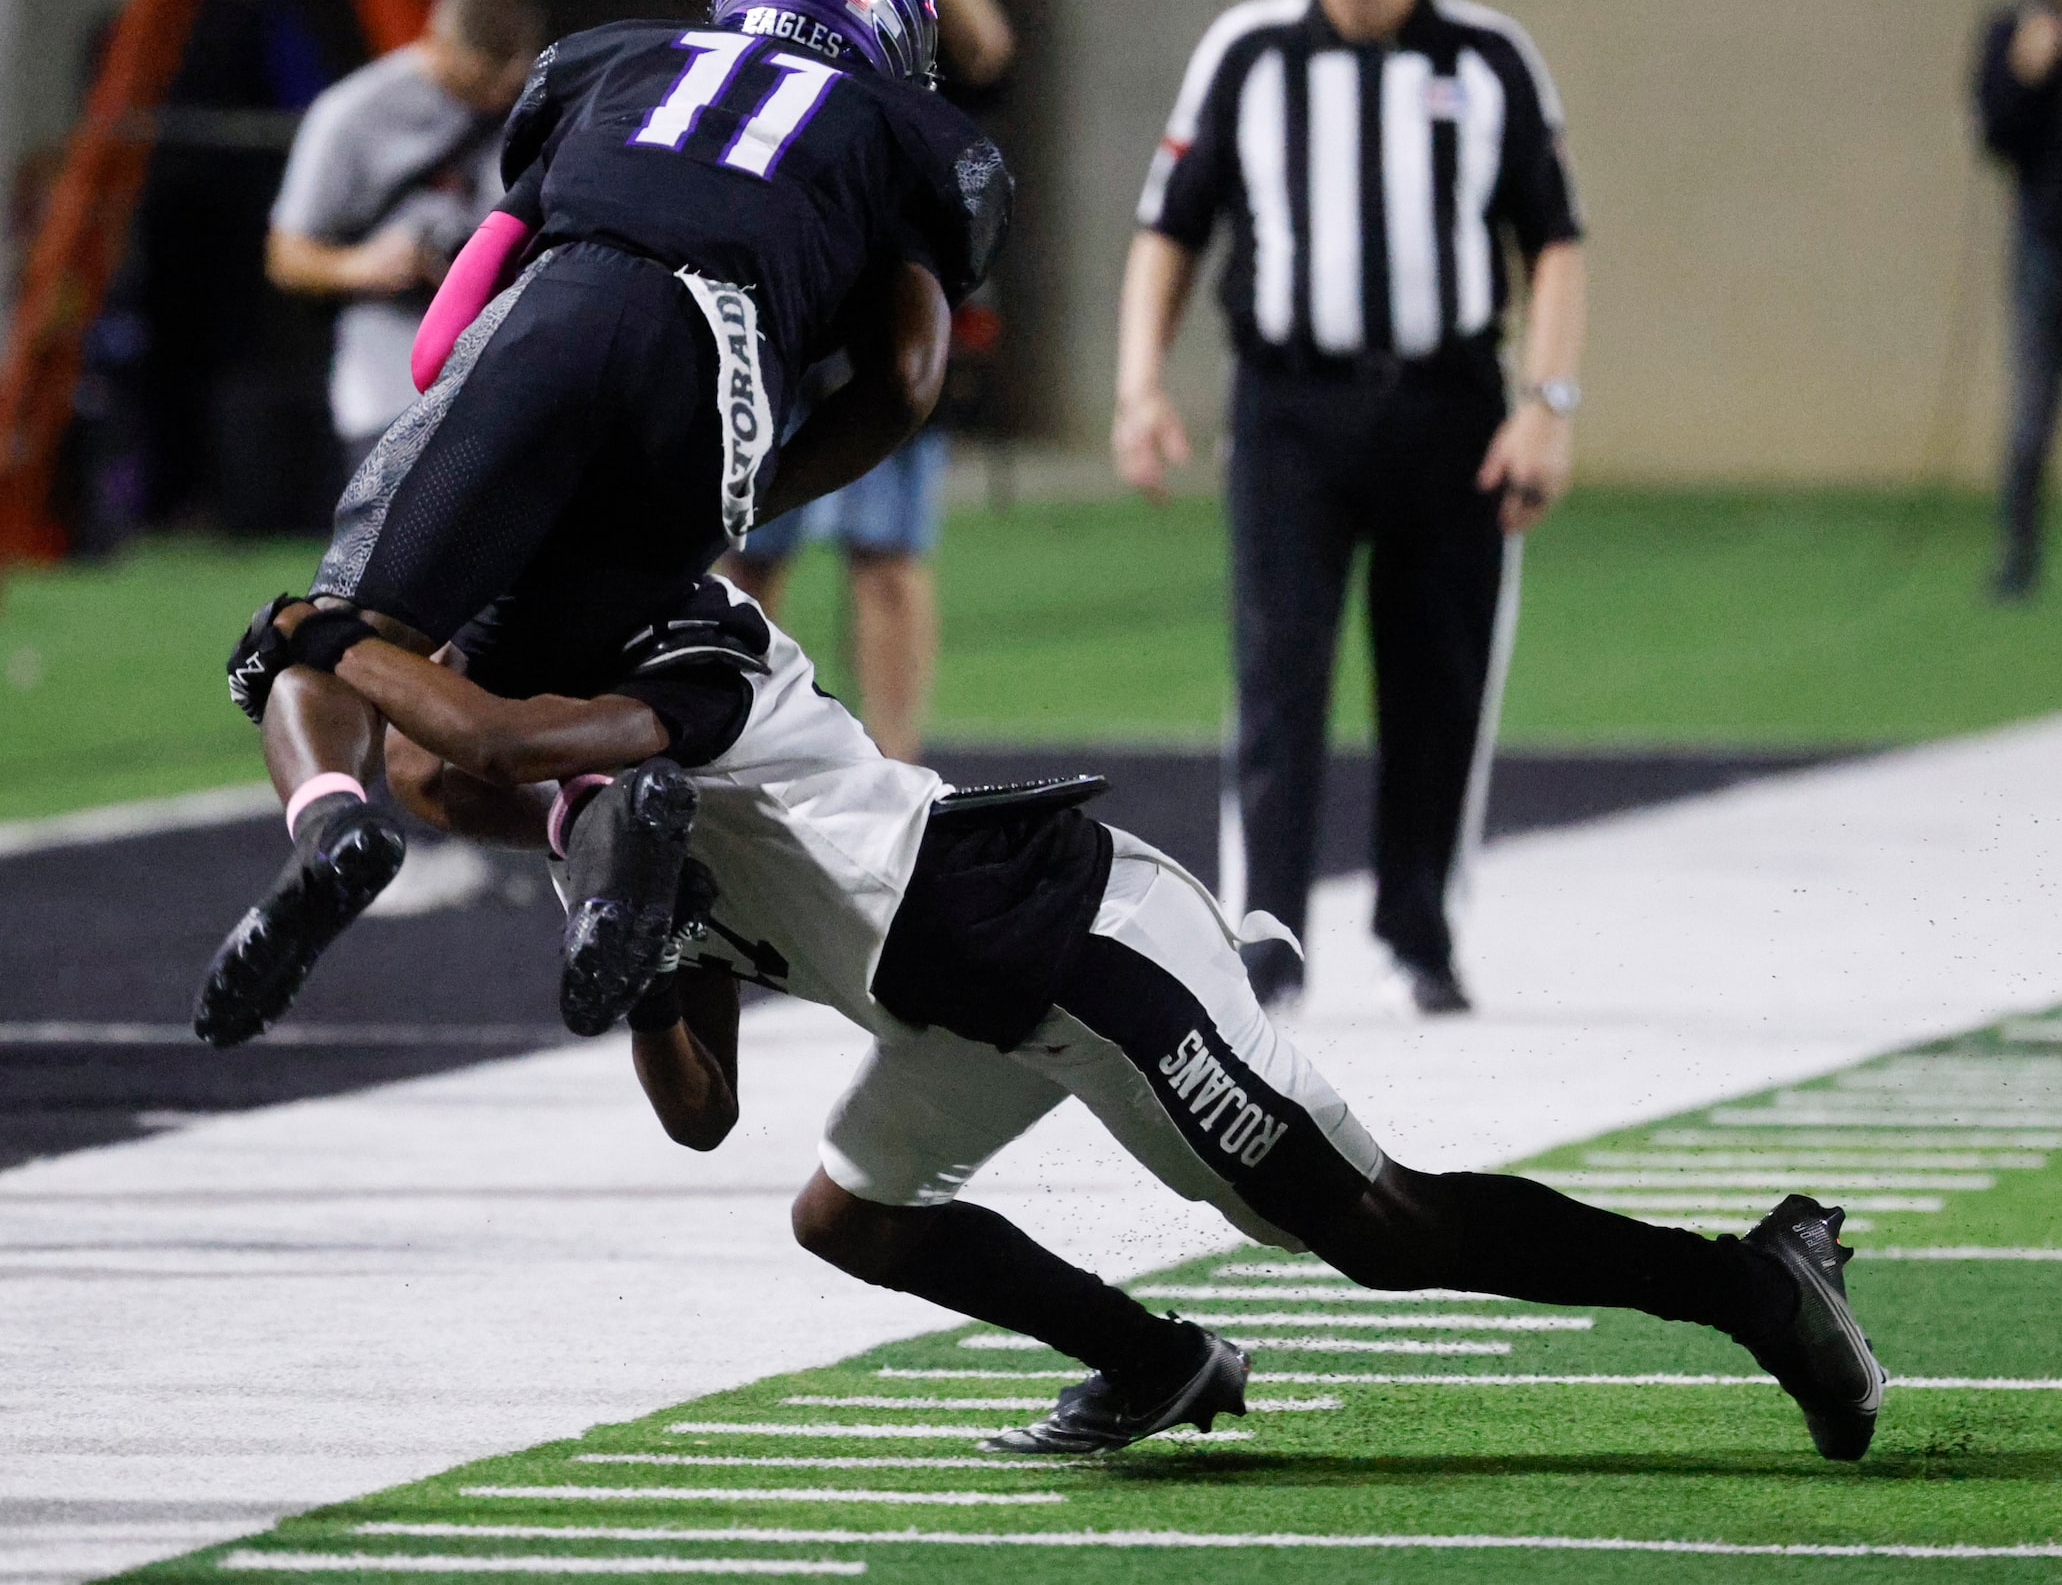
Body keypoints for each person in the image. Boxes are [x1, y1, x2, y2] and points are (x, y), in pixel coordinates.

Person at [232, 572, 1884, 1465]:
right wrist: (645, 955)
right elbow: (700, 1109)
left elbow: (497, 744)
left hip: (1076, 944)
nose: (408, 766)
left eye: (422, 714)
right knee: (849, 1210)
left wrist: (333, 639)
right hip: (953, 999)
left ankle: (1751, 1283)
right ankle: (1157, 1360)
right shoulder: (596, 829)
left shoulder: (692, 651)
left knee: (1378, 1229)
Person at [197, 0, 1012, 1052]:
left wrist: (476, 443)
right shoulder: (911, 132)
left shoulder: (614, 58)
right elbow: (909, 379)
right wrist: (759, 478)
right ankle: (604, 826)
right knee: (508, 715)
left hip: (565, 315)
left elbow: (443, 337)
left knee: (342, 636)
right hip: (722, 398)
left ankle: (331, 822)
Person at [1113, 0, 1587, 1015]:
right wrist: (1139, 383)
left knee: (1441, 671)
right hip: (1291, 405)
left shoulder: (1489, 58)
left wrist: (1548, 405)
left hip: (1449, 402)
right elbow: (1171, 228)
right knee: (1278, 668)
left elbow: (1555, 243)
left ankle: (1420, 924)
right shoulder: (1249, 53)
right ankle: (1268, 936)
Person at [725, 0, 1017, 760]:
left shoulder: (907, 41)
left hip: (877, 323)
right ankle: (729, 743)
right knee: (747, 552)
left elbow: (991, 58)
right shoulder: (756, 39)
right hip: (783, 324)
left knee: (885, 556)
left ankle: (896, 758)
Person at [268, 0, 547, 476]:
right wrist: (364, 267)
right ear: (438, 45)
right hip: (390, 379)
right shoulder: (352, 114)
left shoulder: (529, 105)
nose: (493, 99)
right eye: (479, 81)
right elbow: (285, 256)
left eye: (504, 85)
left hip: (502, 374)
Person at [1975, 0, 2062, 601]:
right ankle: (2019, 557)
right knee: (2030, 413)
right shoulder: (2016, 30)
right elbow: (1993, 132)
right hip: (2042, 242)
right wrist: (2024, 72)